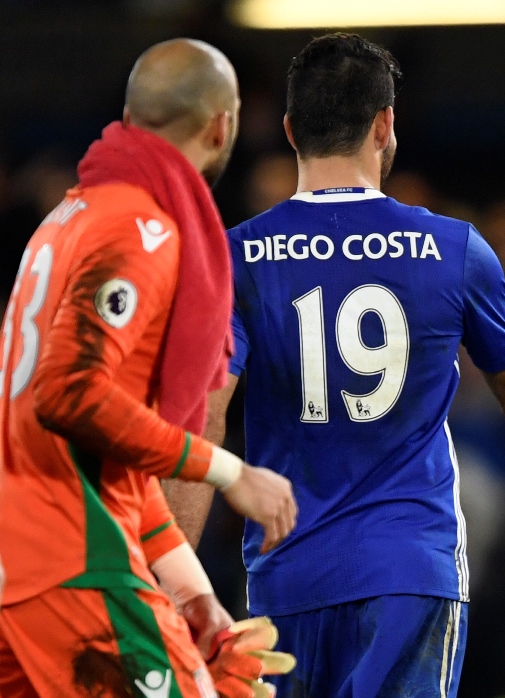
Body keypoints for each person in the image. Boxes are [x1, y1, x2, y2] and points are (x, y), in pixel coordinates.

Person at [167, 33, 505, 697]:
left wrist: (174, 580)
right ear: (385, 125)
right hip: (408, 573)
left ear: (292, 130)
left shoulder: (233, 259)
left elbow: (200, 427)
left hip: (286, 579)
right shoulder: (455, 249)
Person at [0, 39, 297, 697]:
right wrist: (230, 471)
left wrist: (193, 594)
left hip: (24, 572)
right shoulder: (138, 229)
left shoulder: (65, 221)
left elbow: (106, 455)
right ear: (223, 125)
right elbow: (68, 393)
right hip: (74, 567)